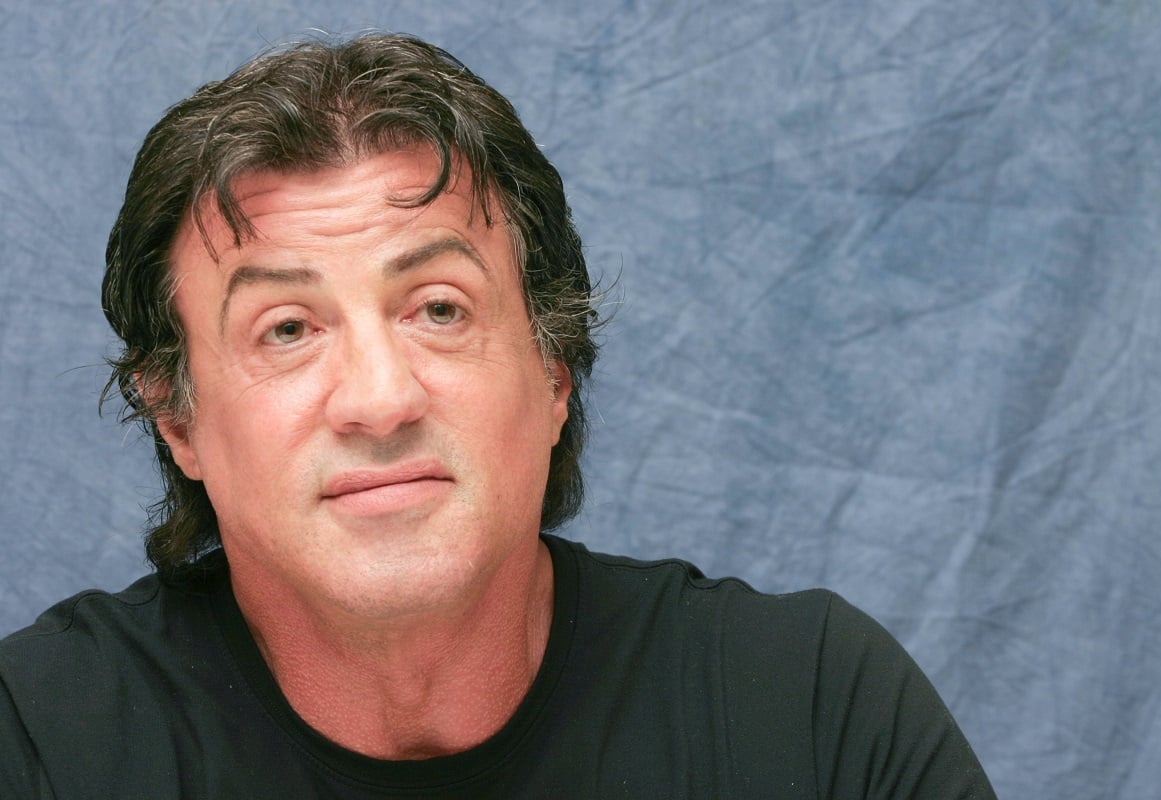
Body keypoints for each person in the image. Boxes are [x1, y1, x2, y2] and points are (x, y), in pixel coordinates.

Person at [0, 33, 995, 798]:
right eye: (288, 329)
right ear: (178, 421)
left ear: (554, 370)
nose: (380, 399)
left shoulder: (811, 714)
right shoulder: (39, 743)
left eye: (438, 309)